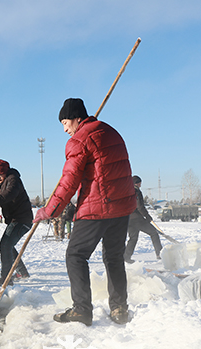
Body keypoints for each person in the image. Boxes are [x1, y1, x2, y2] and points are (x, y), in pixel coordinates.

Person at [33, 98, 136, 326]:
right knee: (114, 257)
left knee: (75, 255)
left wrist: (50, 210)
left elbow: (69, 181)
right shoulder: (111, 132)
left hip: (97, 206)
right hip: (121, 206)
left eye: (65, 123)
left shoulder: (79, 140)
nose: (65, 129)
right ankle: (119, 308)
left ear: (77, 119)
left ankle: (82, 309)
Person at [0, 159, 33, 286]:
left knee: (5, 245)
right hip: (16, 219)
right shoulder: (2, 182)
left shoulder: (13, 180)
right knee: (9, 245)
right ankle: (21, 272)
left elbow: (8, 195)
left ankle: (5, 278)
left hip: (22, 220)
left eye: (0, 175)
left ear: (5, 173)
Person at [124, 175, 162, 263]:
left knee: (133, 238)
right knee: (154, 233)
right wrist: (147, 217)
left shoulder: (126, 191)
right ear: (136, 183)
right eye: (140, 183)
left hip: (128, 219)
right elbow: (140, 206)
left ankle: (126, 257)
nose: (140, 185)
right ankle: (160, 254)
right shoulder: (136, 191)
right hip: (137, 219)